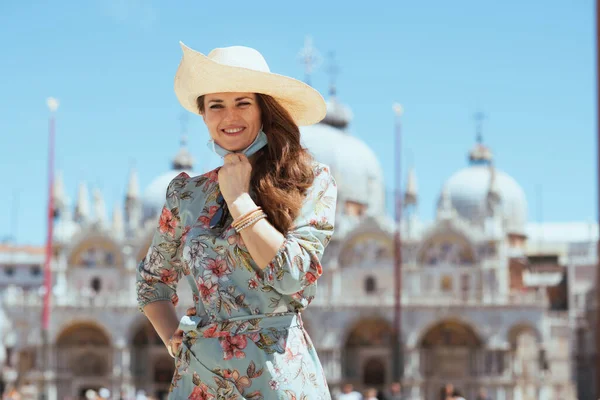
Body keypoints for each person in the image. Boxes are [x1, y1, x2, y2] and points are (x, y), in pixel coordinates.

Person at [136, 42, 336, 399]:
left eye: (243, 102)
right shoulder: (186, 195)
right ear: (204, 116)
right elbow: (152, 283)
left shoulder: (310, 181)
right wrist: (172, 339)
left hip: (277, 379)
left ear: (264, 108)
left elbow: (294, 277)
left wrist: (241, 201)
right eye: (217, 105)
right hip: (200, 379)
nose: (230, 116)